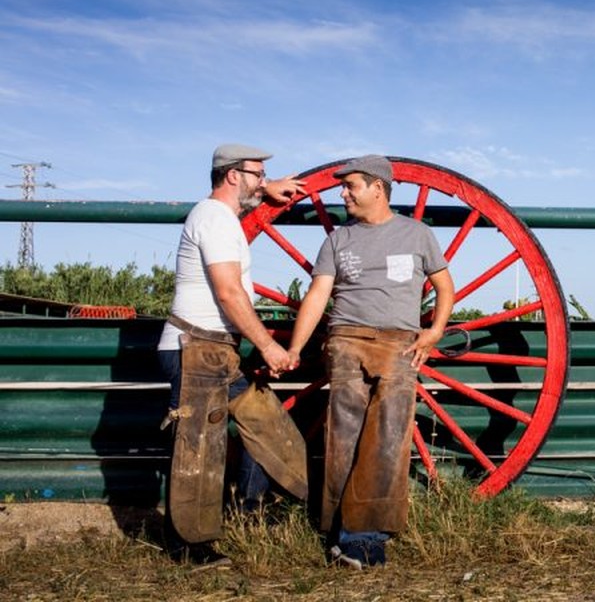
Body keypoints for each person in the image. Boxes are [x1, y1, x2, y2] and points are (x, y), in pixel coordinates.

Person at [287, 154, 455, 570]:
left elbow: (445, 287)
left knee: (388, 435)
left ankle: (360, 536)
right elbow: (317, 296)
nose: (344, 194)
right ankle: (347, 534)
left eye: (351, 186)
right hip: (346, 338)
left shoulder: (417, 235)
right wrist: (294, 348)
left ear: (377, 187)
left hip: (400, 343)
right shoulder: (338, 241)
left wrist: (434, 332)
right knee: (343, 433)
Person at [157, 143, 310, 567]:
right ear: (232, 176)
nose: (263, 181)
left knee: (266, 430)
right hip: (194, 350)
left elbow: (248, 196)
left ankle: (248, 515)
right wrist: (266, 344)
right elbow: (228, 292)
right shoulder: (215, 220)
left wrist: (267, 189)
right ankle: (187, 547)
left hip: (214, 352)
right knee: (197, 449)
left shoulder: (222, 215)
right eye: (257, 174)